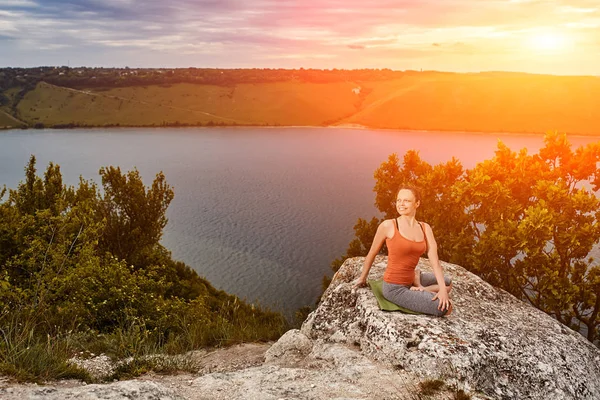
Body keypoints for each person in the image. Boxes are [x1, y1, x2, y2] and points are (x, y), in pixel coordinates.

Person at [354, 186, 452, 316]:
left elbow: (435, 262)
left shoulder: (425, 228)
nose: (401, 204)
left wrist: (443, 292)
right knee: (446, 308)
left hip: (410, 278)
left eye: (406, 200)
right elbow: (372, 253)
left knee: (447, 283)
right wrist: (362, 278)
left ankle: (420, 287)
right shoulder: (388, 226)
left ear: (417, 203)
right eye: (398, 200)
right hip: (395, 288)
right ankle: (419, 288)